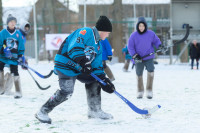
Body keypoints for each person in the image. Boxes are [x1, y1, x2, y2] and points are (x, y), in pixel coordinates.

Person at [35, 16, 115, 124]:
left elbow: (97, 67)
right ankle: (43, 111)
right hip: (66, 64)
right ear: (103, 30)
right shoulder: (86, 32)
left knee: (95, 80)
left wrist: (104, 80)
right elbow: (74, 47)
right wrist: (84, 61)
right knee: (67, 91)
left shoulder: (99, 45)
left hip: (80, 67)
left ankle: (94, 111)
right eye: (108, 32)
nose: (108, 34)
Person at [128, 16, 164, 99]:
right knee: (138, 73)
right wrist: (135, 55)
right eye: (140, 26)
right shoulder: (133, 35)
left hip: (149, 57)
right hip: (138, 58)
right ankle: (140, 91)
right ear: (137, 26)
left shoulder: (151, 34)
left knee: (151, 71)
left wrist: (160, 46)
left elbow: (156, 41)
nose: (141, 27)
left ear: (145, 26)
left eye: (143, 26)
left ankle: (149, 90)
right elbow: (130, 47)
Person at [0, 14, 26, 99]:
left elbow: (21, 47)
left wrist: (20, 56)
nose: (13, 23)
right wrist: (3, 50)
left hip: (13, 57)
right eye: (11, 21)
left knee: (15, 71)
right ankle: (1, 88)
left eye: (14, 22)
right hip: (3, 56)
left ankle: (18, 91)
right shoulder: (3, 33)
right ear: (7, 23)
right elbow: (1, 44)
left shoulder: (18, 34)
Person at [3, 21, 31, 95]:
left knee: (13, 73)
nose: (26, 29)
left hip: (12, 57)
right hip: (7, 56)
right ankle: (6, 88)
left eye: (28, 28)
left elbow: (20, 50)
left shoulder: (23, 37)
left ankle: (6, 89)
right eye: (25, 27)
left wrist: (23, 60)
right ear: (22, 27)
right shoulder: (18, 34)